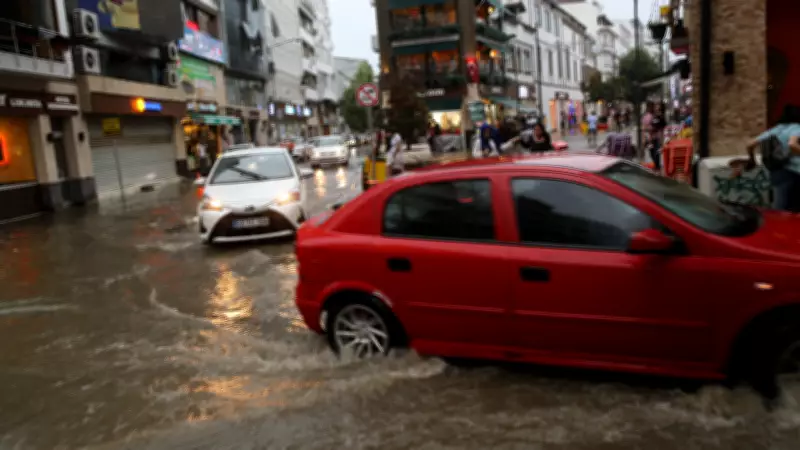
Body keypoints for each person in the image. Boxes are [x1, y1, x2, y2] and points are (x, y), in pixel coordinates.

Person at [740, 105, 800, 211]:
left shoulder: (776, 129)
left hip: (776, 169)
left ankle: (777, 223)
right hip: (795, 171)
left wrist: (752, 159)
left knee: (780, 202)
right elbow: (792, 144)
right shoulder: (797, 127)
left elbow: (750, 144)